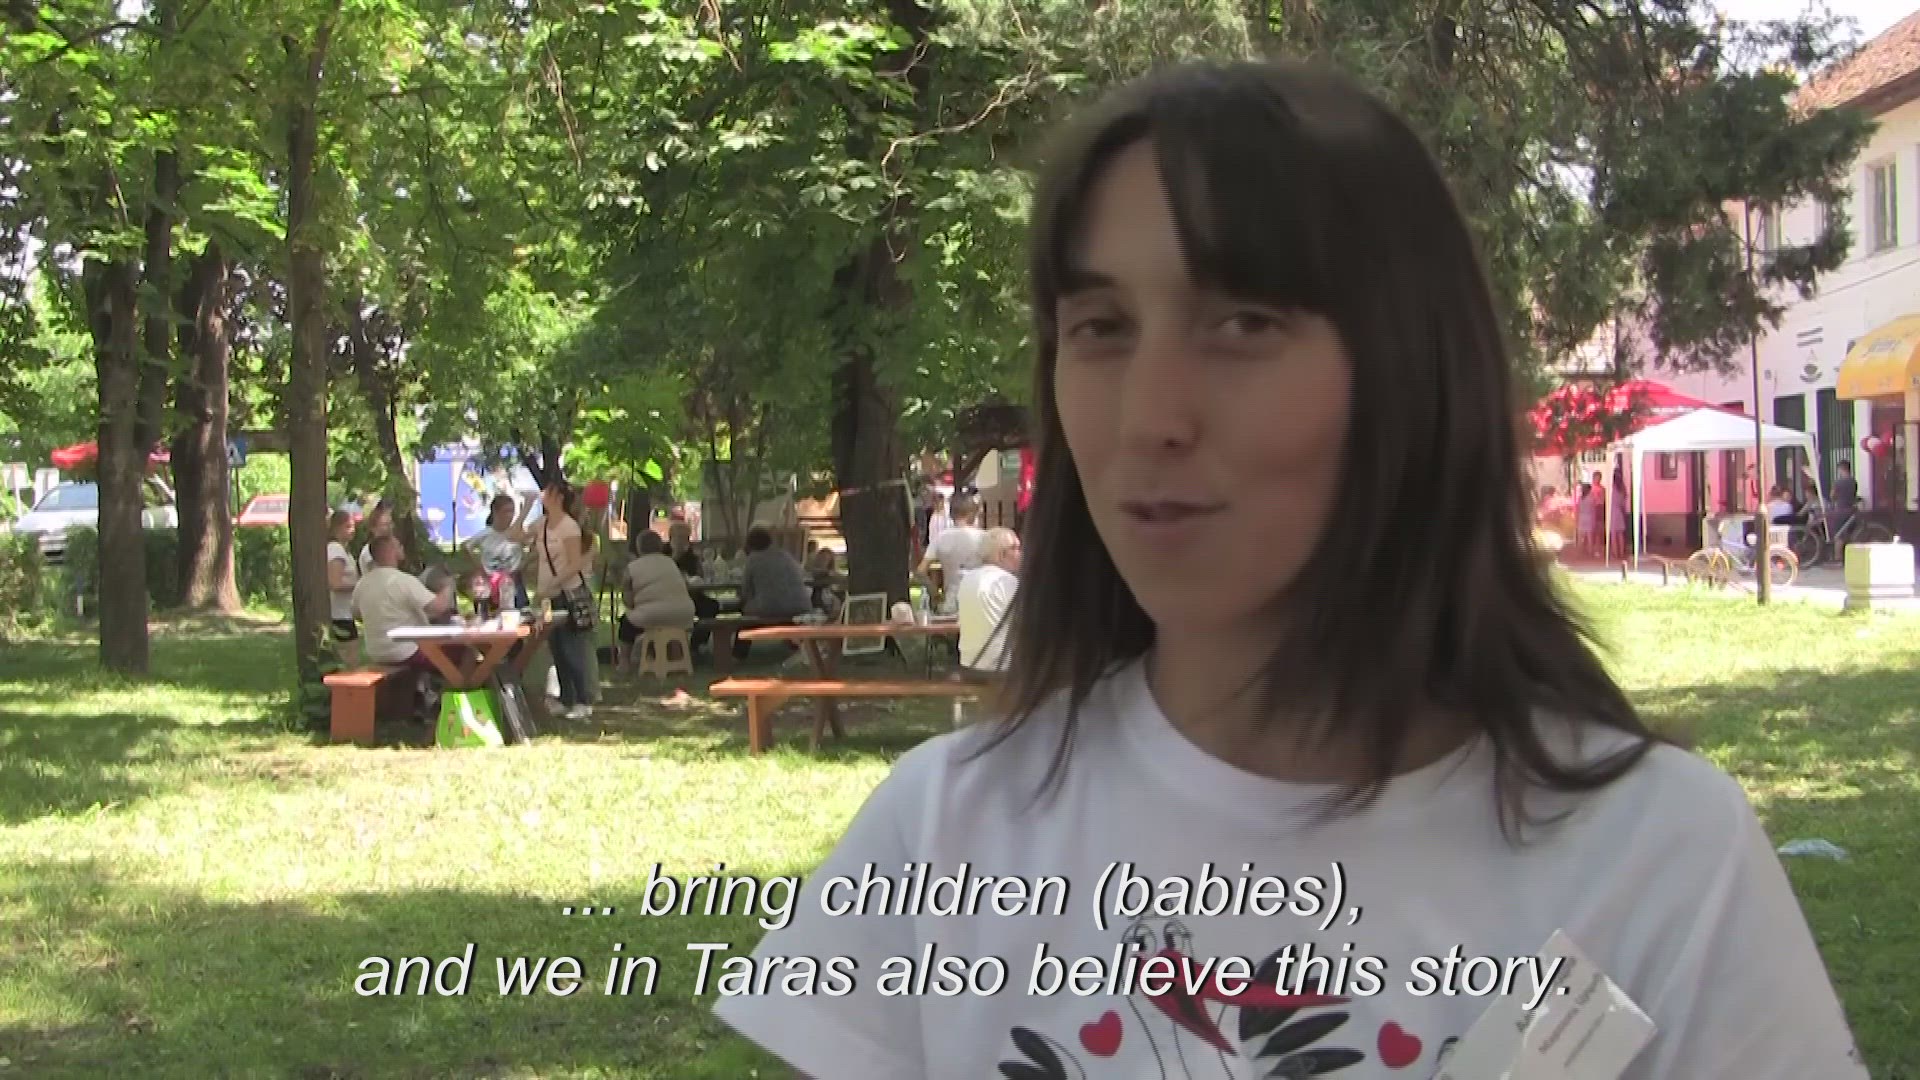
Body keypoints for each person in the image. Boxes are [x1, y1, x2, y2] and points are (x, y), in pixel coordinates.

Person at [711, 61, 1864, 1079]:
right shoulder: (942, 837)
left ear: (1411, 372)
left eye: (1244, 324)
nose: (1150, 416)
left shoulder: (1658, 864)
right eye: (1100, 328)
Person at [533, 480, 595, 720]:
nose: (542, 495)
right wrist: (526, 506)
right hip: (548, 596)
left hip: (567, 593)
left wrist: (554, 583)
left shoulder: (569, 527)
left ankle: (583, 700)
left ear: (558, 497)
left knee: (571, 648)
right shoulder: (542, 523)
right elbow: (516, 535)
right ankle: (565, 698)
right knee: (556, 648)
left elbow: (575, 563)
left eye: (547, 492)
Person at [351, 535, 454, 675]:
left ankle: (428, 687)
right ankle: (461, 685)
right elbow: (438, 607)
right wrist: (447, 586)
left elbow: (357, 614)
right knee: (464, 651)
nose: (402, 548)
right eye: (399, 545)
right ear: (392, 551)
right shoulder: (402, 580)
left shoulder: (362, 584)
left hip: (376, 653)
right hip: (407, 652)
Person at [617, 531, 698, 671]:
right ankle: (677, 659)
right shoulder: (671, 563)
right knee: (672, 626)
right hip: (683, 613)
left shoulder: (632, 567)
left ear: (639, 548)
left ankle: (624, 662)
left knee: (626, 622)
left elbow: (629, 602)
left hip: (652, 615)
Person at [956, 527, 1021, 679]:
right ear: (1001, 555)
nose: (1020, 553)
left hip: (968, 667)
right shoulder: (1007, 581)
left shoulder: (966, 579)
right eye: (1015, 548)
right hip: (1000, 669)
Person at [915, 493, 987, 614]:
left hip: (951, 602)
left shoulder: (940, 538)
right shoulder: (985, 538)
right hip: (980, 600)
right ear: (973, 514)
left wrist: (935, 594)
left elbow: (921, 571)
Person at [465, 493, 534, 608]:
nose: (510, 515)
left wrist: (523, 563)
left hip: (513, 578)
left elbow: (531, 546)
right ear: (495, 512)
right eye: (506, 511)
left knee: (519, 611)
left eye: (512, 511)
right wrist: (479, 567)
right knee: (488, 611)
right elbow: (467, 547)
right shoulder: (485, 534)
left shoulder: (516, 533)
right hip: (490, 579)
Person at [325, 510, 361, 667]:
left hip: (346, 612)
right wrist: (359, 584)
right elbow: (335, 583)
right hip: (339, 614)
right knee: (350, 660)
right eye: (348, 526)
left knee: (351, 657)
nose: (352, 530)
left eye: (353, 526)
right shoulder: (335, 550)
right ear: (337, 528)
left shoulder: (344, 550)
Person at [357, 501, 395, 577]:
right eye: (385, 524)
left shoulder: (390, 547)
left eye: (390, 523)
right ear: (373, 528)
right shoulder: (368, 552)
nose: (390, 528)